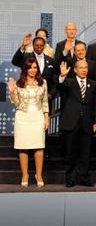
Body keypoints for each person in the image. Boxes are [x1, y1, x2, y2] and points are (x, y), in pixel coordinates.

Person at [58, 60, 96, 187]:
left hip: (87, 123)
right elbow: (60, 88)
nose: (84, 70)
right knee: (70, 153)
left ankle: (84, 178)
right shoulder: (68, 83)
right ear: (75, 70)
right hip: (71, 122)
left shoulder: (93, 84)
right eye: (81, 67)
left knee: (85, 153)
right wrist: (62, 76)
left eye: (86, 67)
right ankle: (70, 179)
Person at [8, 58, 49, 187]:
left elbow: (45, 102)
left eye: (35, 67)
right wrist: (12, 91)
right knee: (23, 146)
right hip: (23, 117)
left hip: (38, 117)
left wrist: (46, 117)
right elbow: (15, 103)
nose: (33, 70)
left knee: (39, 146)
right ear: (25, 69)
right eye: (30, 67)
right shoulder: (19, 83)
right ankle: (25, 174)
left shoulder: (43, 82)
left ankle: (39, 174)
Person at [12, 35, 56, 103]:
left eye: (41, 45)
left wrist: (51, 95)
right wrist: (23, 46)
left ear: (44, 46)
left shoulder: (50, 60)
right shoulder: (26, 57)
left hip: (46, 98)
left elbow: (54, 81)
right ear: (33, 46)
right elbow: (15, 61)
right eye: (36, 45)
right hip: (28, 97)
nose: (39, 47)